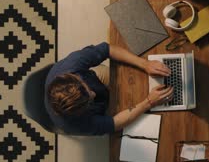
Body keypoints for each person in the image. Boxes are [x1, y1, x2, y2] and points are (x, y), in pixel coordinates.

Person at [45, 42, 174, 135]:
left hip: (96, 79)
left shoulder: (72, 64)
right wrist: (149, 103)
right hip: (96, 112)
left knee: (130, 79)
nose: (94, 94)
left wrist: (145, 64)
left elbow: (107, 50)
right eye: (89, 100)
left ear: (74, 76)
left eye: (87, 89)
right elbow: (115, 124)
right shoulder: (74, 125)